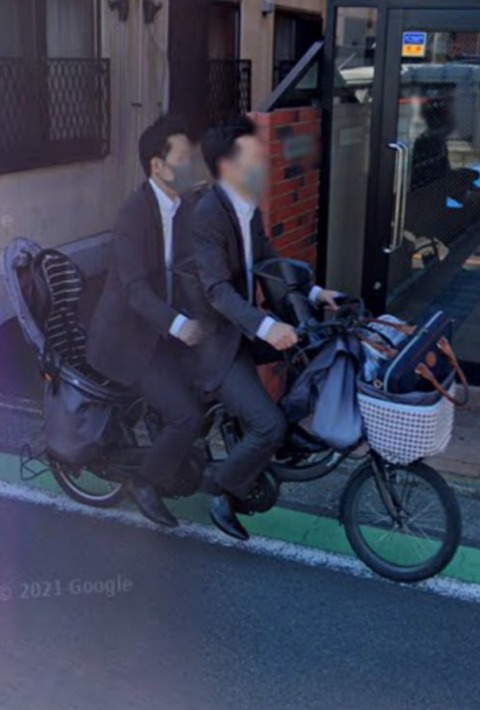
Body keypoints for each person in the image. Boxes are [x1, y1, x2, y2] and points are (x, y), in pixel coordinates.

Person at [193, 115, 338, 541]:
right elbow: (216, 291)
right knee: (267, 425)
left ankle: (287, 434)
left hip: (239, 330)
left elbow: (270, 261)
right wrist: (266, 326)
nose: (263, 159)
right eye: (253, 154)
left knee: (306, 347)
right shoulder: (207, 215)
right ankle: (223, 491)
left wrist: (315, 293)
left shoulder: (246, 206)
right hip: (215, 343)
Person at [87, 115, 204, 528]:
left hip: (163, 329)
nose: (192, 165)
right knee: (185, 415)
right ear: (158, 165)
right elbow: (135, 291)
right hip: (130, 338)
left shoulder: (186, 208)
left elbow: (198, 267)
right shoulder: (133, 213)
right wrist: (180, 325)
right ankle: (146, 483)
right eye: (184, 158)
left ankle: (176, 456)